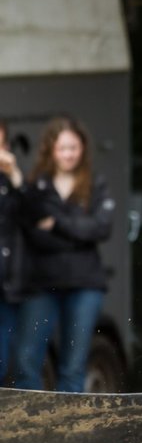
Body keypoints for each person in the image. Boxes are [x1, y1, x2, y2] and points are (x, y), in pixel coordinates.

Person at [13, 117, 114, 392]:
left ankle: (70, 433)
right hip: (42, 284)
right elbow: (33, 233)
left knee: (73, 365)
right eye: (62, 148)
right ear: (51, 150)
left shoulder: (95, 184)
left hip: (85, 285)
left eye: (74, 147)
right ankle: (31, 429)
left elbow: (102, 229)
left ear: (83, 149)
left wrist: (57, 224)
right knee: (26, 360)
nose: (69, 154)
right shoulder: (37, 186)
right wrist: (77, 234)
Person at [0, 119, 24, 383]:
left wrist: (15, 175)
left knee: (2, 361)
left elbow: (35, 217)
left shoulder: (12, 183)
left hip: (6, 286)